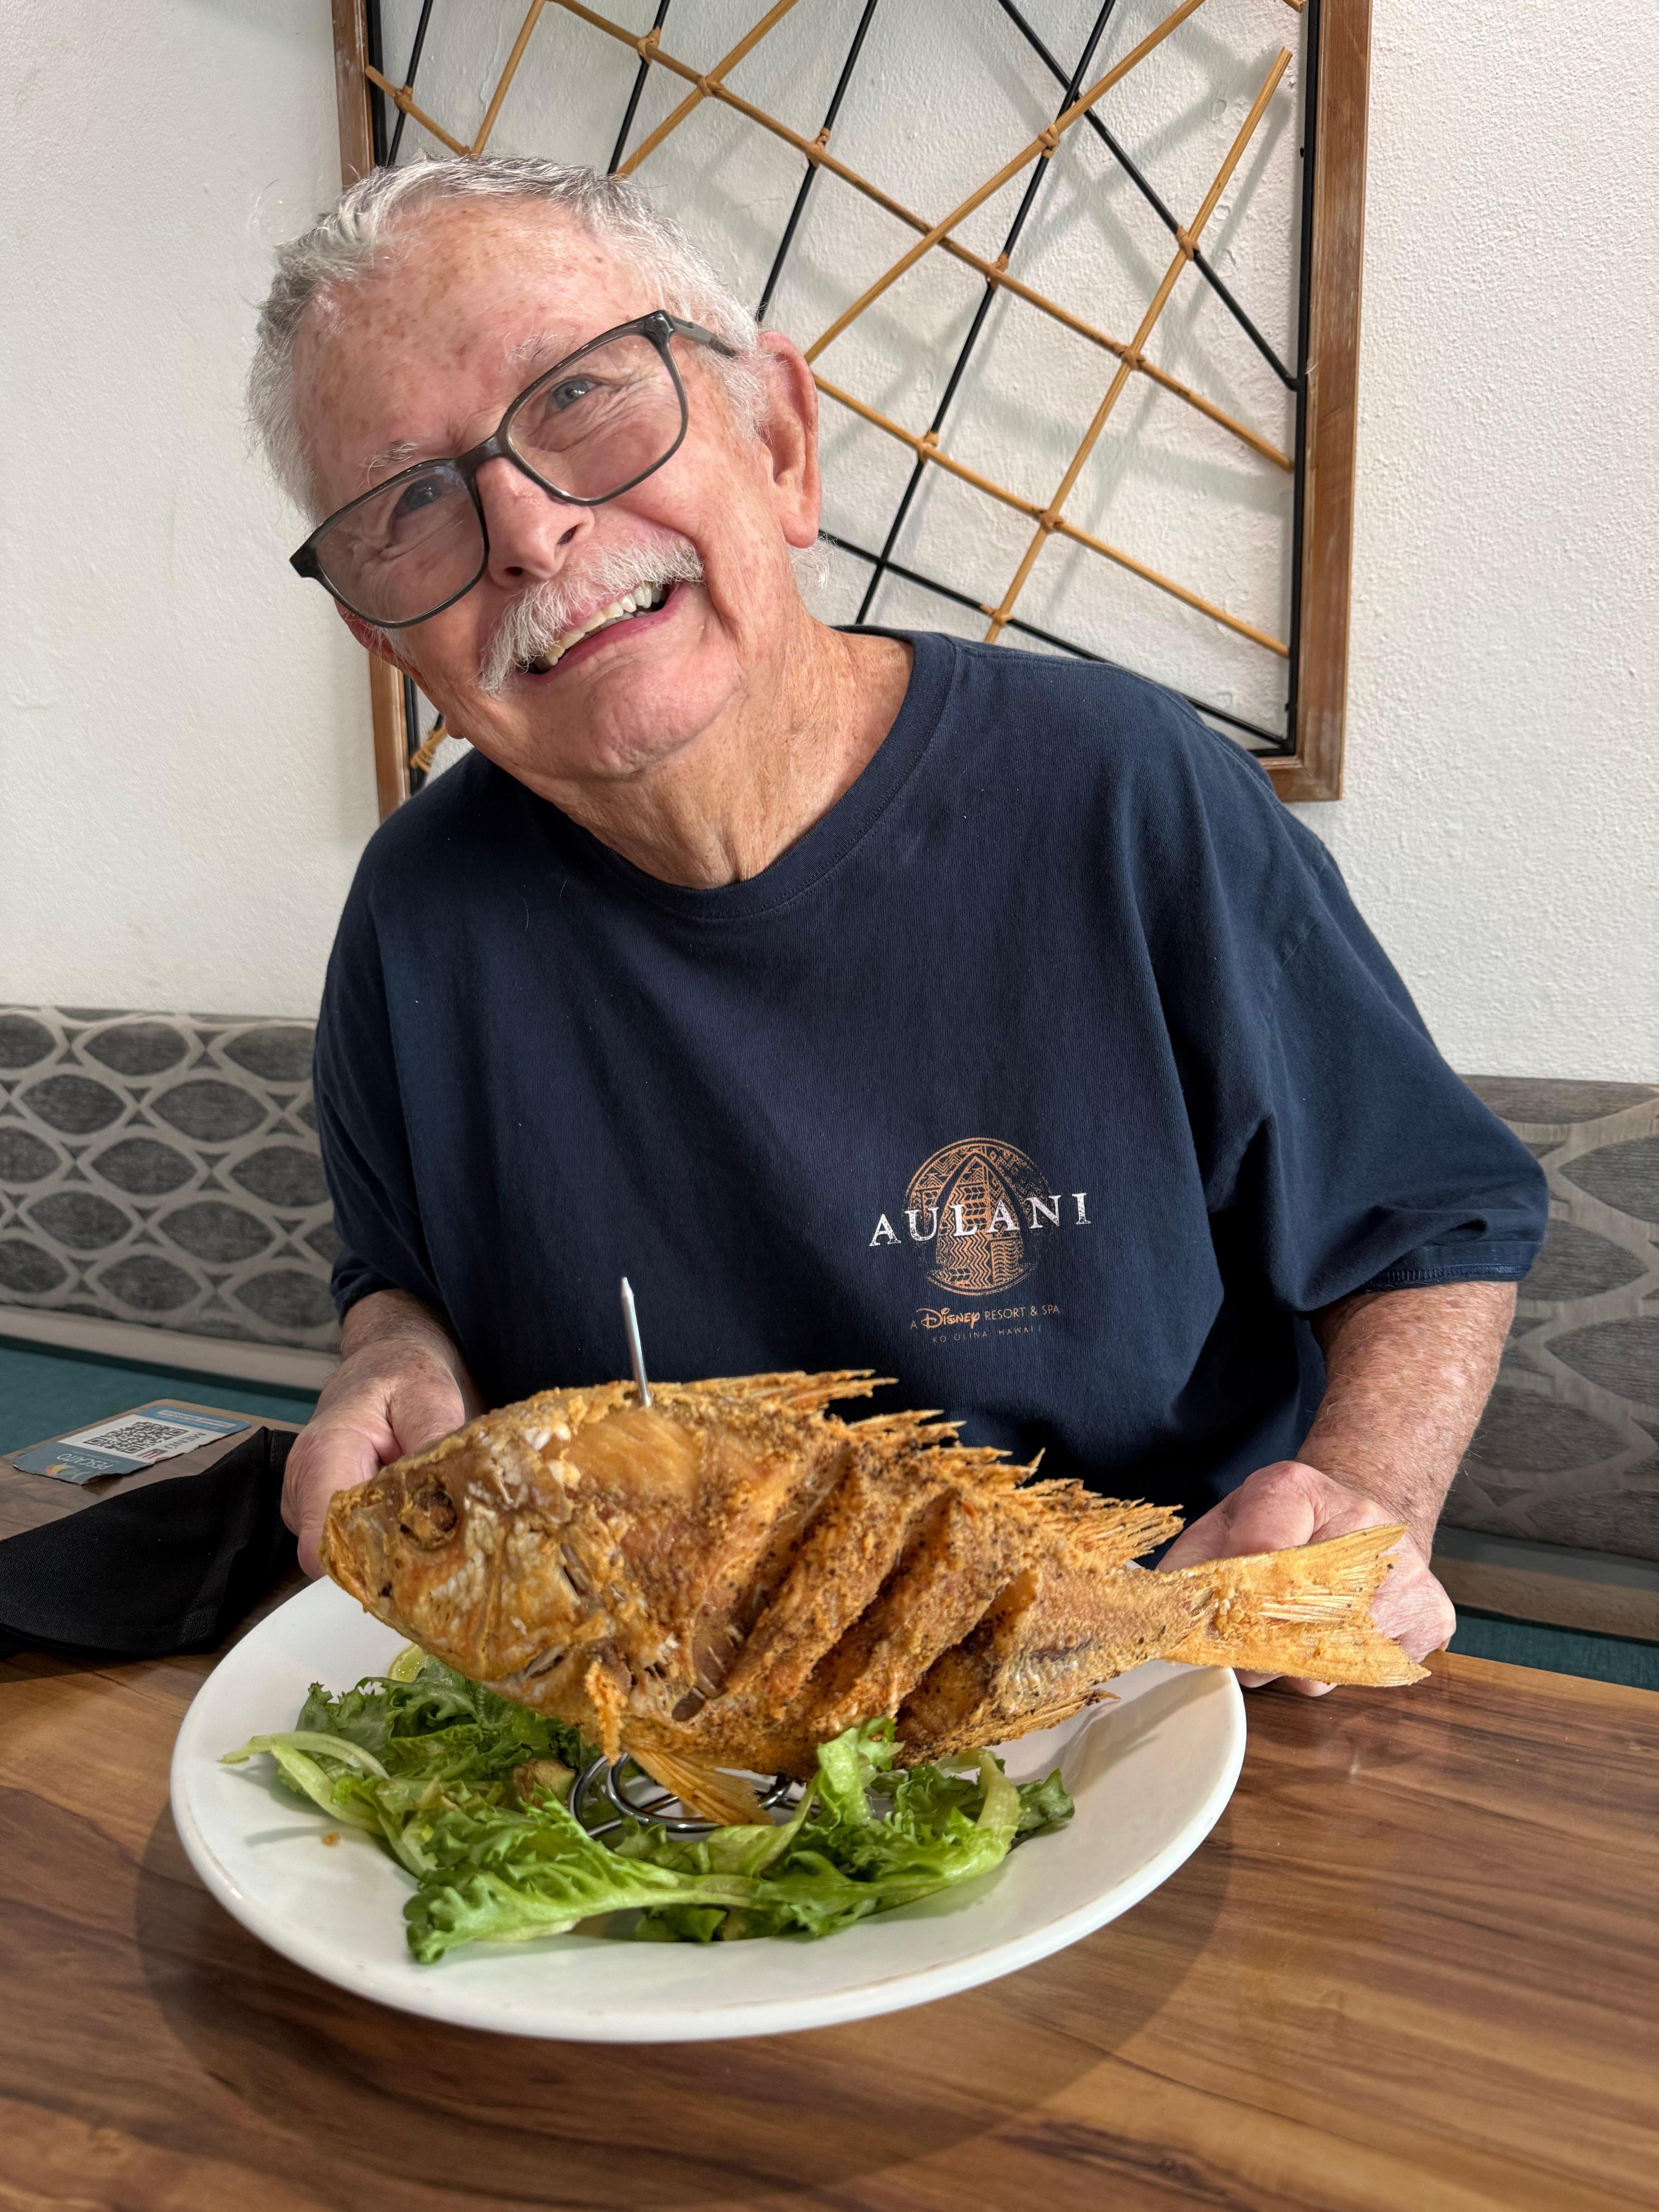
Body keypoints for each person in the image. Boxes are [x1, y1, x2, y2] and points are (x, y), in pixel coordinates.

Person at [253, 157, 1544, 1692]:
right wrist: (392, 1356)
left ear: (780, 444)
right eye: (409, 501)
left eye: (582, 397)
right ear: (379, 632)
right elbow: (397, 1276)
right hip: (656, 1734)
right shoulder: (417, 910)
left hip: (1152, 1696)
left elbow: (1428, 1223)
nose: (528, 531)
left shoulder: (1123, 790)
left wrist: (1361, 1500)